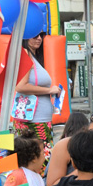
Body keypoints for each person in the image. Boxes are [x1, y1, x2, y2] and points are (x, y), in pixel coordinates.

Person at [15, 32, 61, 166]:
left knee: (39, 161)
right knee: (39, 162)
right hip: (33, 121)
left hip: (39, 120)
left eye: (41, 35)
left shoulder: (34, 57)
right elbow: (21, 86)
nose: (39, 38)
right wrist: (49, 90)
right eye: (35, 35)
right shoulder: (25, 54)